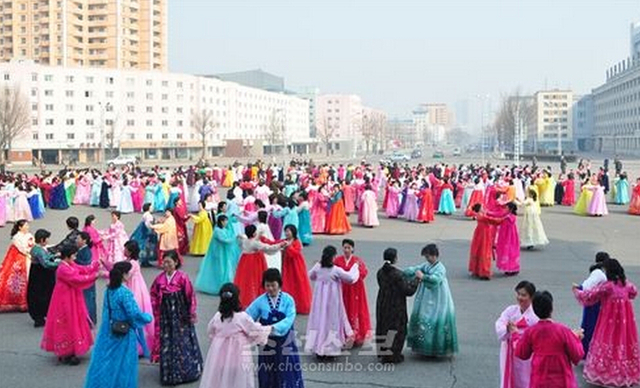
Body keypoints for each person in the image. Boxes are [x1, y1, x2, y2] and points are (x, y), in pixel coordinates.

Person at [83, 262, 153, 388]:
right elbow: (134, 314)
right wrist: (148, 317)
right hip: (124, 334)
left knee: (108, 362)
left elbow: (106, 311)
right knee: (124, 365)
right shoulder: (125, 293)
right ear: (124, 275)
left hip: (110, 330)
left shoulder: (109, 290)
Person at [573, 259, 640, 387]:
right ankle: (624, 373)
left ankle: (606, 374)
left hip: (608, 322)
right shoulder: (627, 285)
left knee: (608, 343)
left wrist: (578, 291)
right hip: (625, 324)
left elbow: (590, 296)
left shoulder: (607, 287)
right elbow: (633, 293)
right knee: (622, 344)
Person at [199, 283, 272, 388]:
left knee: (220, 378)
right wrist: (268, 329)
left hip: (218, 354)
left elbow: (210, 331)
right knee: (238, 379)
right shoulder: (241, 317)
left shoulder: (217, 317)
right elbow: (255, 330)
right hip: (238, 355)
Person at [149, 250, 203, 384]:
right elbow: (153, 295)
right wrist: (156, 309)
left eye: (169, 262)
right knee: (167, 342)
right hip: (165, 317)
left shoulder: (182, 278)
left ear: (176, 262)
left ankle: (186, 372)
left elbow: (190, 297)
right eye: (164, 262)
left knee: (182, 341)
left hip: (181, 316)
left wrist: (191, 313)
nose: (166, 264)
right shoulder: (159, 279)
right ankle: (169, 374)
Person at [41, 245, 100, 366]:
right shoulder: (62, 269)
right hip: (64, 300)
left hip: (72, 297)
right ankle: (66, 352)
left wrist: (95, 265)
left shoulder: (70, 264)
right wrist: (94, 276)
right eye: (73, 255)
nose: (75, 257)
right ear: (67, 256)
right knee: (66, 324)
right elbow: (77, 278)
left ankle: (70, 351)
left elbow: (82, 269)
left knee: (74, 322)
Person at [246, 269, 304, 388]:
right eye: (267, 285)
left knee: (287, 368)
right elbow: (247, 317)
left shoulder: (288, 300)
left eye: (273, 285)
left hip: (285, 342)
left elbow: (290, 319)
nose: (270, 288)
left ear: (279, 284)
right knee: (267, 369)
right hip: (267, 344)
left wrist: (272, 328)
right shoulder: (260, 301)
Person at [515, 291, 584, 388]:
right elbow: (577, 355)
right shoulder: (563, 330)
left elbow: (521, 353)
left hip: (539, 377)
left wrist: (516, 335)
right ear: (551, 308)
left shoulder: (530, 332)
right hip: (561, 378)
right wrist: (576, 339)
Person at [404, 244, 458, 357]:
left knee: (435, 319)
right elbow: (415, 269)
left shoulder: (440, 268)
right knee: (425, 318)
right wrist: (403, 272)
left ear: (435, 256)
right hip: (426, 297)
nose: (427, 259)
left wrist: (423, 277)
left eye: (428, 256)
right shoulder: (427, 265)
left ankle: (436, 348)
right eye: (426, 256)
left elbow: (435, 280)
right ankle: (423, 347)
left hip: (439, 298)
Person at [306, 245, 359, 358]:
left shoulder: (317, 267)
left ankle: (317, 347)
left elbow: (310, 275)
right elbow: (350, 278)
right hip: (332, 301)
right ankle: (330, 350)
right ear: (333, 257)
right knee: (331, 323)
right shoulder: (335, 270)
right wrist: (355, 267)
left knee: (319, 322)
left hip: (319, 302)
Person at [375, 247, 419, 364]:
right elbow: (408, 290)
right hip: (396, 305)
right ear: (395, 258)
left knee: (383, 327)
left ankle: (383, 352)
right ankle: (393, 355)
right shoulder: (397, 274)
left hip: (383, 303)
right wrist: (416, 279)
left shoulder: (380, 272)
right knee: (396, 329)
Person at [495, 281, 539, 388]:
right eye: (518, 294)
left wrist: (516, 333)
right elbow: (500, 323)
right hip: (509, 351)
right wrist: (507, 328)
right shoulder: (511, 310)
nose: (520, 297)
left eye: (523, 295)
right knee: (510, 375)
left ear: (531, 297)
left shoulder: (536, 315)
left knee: (525, 377)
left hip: (527, 354)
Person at [234, 225, 286, 308]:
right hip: (254, 263)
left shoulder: (244, 241)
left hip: (244, 263)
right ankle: (257, 299)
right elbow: (268, 248)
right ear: (254, 233)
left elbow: (240, 238)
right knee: (256, 279)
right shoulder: (255, 243)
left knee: (246, 280)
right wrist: (280, 245)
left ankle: (245, 297)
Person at [334, 239, 372, 346]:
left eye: (348, 248)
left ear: (352, 249)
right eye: (344, 247)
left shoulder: (357, 261)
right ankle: (343, 333)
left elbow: (364, 273)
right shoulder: (338, 260)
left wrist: (355, 274)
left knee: (355, 310)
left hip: (355, 290)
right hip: (342, 289)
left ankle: (356, 334)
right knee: (343, 310)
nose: (346, 250)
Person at [123, 240, 155, 357]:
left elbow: (126, 276)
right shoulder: (130, 261)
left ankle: (138, 346)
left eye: (126, 249)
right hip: (135, 287)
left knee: (134, 314)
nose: (124, 250)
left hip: (134, 289)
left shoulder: (132, 263)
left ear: (130, 251)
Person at [196, 214, 240, 295]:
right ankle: (219, 286)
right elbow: (224, 240)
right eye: (225, 221)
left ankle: (226, 285)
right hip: (218, 254)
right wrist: (234, 238)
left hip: (224, 253)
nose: (227, 222)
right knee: (220, 269)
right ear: (222, 222)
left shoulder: (224, 230)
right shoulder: (217, 231)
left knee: (225, 268)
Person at [576, 251, 609, 357]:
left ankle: (585, 351)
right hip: (595, 304)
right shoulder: (599, 273)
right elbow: (587, 285)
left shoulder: (597, 272)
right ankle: (588, 351)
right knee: (592, 327)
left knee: (589, 326)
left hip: (592, 303)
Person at [0, 219, 34, 312]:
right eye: (25, 225)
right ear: (20, 227)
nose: (27, 227)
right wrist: (30, 254)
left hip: (28, 256)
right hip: (19, 258)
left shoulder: (29, 235)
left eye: (27, 225)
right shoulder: (16, 237)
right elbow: (22, 248)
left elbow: (32, 245)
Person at [27, 229, 59, 327]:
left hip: (36, 274)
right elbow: (46, 263)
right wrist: (59, 263)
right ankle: (41, 316)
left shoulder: (36, 248)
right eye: (47, 239)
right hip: (41, 276)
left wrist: (54, 256)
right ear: (42, 240)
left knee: (37, 295)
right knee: (42, 295)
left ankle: (40, 316)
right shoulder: (39, 251)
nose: (48, 241)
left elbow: (46, 257)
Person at [280, 225, 312, 314]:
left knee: (298, 283)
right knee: (287, 283)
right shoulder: (284, 241)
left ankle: (299, 305)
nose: (286, 233)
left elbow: (295, 253)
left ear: (293, 232)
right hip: (287, 265)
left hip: (296, 265)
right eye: (285, 231)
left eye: (288, 231)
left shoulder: (297, 242)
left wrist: (288, 247)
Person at [468, 203, 503, 280]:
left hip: (480, 234)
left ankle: (477, 270)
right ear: (480, 209)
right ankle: (484, 272)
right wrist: (503, 219)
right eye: (482, 207)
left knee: (479, 251)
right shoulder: (482, 216)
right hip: (484, 235)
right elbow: (493, 220)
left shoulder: (479, 215)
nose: (483, 208)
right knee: (484, 252)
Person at [76, 232, 97, 325]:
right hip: (87, 278)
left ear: (84, 241)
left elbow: (86, 264)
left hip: (87, 279)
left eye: (78, 239)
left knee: (87, 299)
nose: (76, 240)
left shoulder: (85, 251)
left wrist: (74, 261)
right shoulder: (83, 250)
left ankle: (88, 320)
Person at [495, 202, 521, 276]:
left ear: (510, 209)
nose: (505, 209)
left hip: (508, 237)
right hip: (511, 237)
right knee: (511, 253)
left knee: (509, 252)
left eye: (506, 208)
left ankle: (511, 268)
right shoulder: (509, 216)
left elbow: (499, 221)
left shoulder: (508, 218)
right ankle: (511, 268)